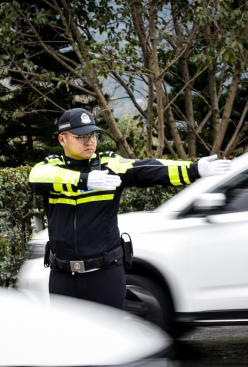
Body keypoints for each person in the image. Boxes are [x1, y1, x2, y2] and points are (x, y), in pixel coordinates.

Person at [29, 108, 231, 310]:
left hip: (105, 275)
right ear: (62, 140)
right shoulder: (52, 168)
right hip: (63, 278)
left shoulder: (110, 165)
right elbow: (36, 176)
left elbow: (150, 169)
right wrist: (84, 180)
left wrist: (193, 169)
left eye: (92, 135)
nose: (89, 141)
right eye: (81, 136)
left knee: (111, 339)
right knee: (68, 341)